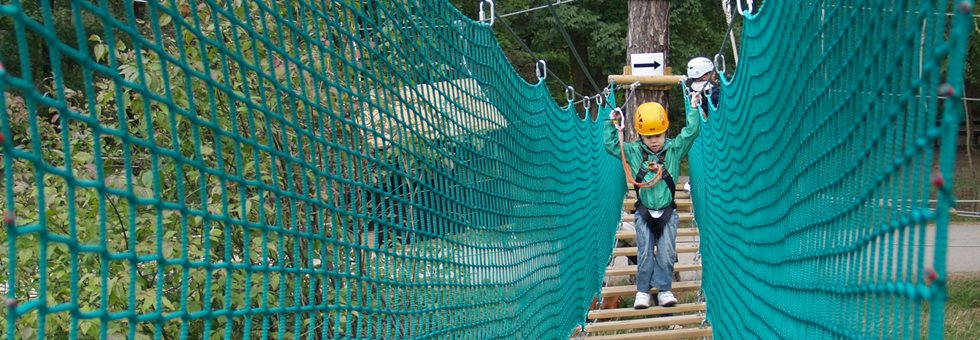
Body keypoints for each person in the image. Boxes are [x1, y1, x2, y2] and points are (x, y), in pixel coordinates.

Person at [604, 101, 701, 309]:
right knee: (645, 252)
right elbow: (611, 145)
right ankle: (643, 291)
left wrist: (693, 108)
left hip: (667, 212)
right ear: (641, 136)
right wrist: (610, 122)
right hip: (644, 212)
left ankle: (665, 289)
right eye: (649, 137)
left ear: (665, 132)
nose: (654, 141)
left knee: (667, 252)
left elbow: (691, 132)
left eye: (658, 135)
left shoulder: (674, 149)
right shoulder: (633, 152)